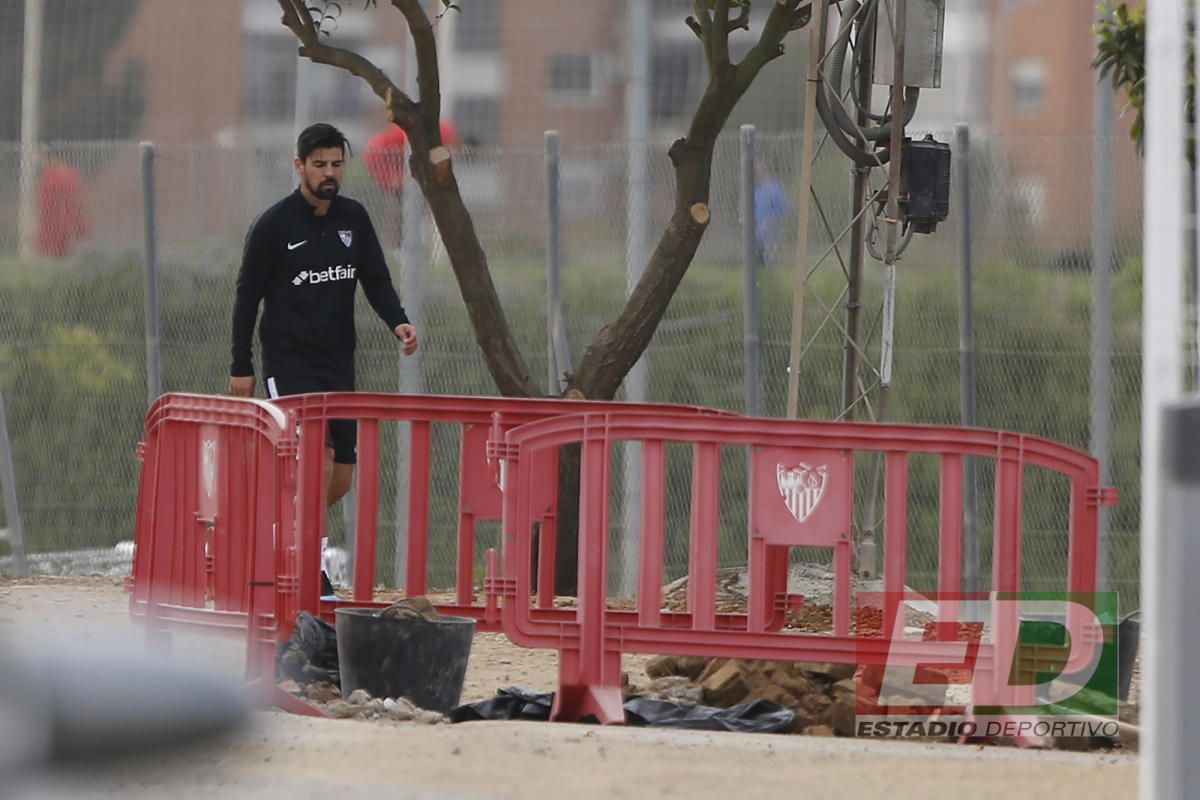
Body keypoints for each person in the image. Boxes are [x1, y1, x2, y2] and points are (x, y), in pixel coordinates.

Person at [229, 122, 419, 521]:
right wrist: (241, 365)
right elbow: (247, 297)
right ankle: (309, 570)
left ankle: (279, 533)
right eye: (319, 164)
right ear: (299, 166)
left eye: (337, 163)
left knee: (341, 479)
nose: (329, 172)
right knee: (320, 461)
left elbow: (376, 279)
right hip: (289, 362)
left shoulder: (354, 217)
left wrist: (398, 321)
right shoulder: (273, 226)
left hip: (338, 364)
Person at [754, 165, 791, 268]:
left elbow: (783, 208)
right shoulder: (757, 191)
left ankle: (769, 264)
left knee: (768, 253)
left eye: (758, 174)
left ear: (764, 174)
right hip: (757, 228)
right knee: (757, 252)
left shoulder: (775, 189)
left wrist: (771, 220)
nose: (757, 177)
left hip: (770, 227)